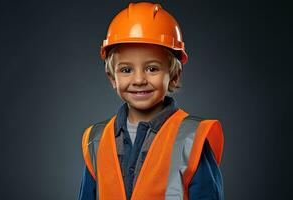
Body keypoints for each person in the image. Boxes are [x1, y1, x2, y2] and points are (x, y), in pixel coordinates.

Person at [79, 2, 224, 200]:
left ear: (174, 76)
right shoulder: (96, 140)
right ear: (113, 78)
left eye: (152, 68)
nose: (139, 80)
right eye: (126, 70)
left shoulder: (191, 139)